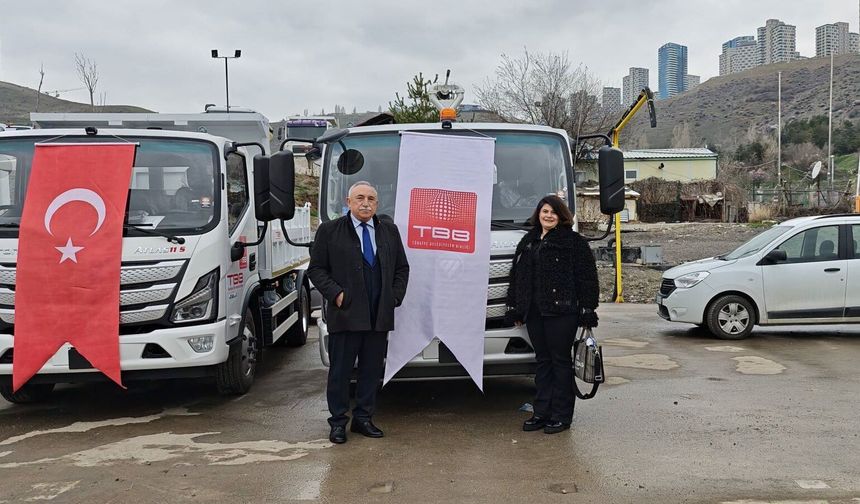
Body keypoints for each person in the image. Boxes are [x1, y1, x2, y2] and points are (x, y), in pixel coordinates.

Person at [307, 181, 410, 444]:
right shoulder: (330, 231)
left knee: (371, 371)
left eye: (371, 199)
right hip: (347, 314)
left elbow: (401, 268)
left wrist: (394, 297)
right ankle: (338, 422)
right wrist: (337, 294)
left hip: (378, 315)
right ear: (349, 201)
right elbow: (316, 269)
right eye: (360, 198)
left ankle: (364, 418)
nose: (366, 203)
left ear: (377, 204)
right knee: (341, 372)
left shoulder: (388, 230)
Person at [505, 195, 599, 434]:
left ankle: (561, 416)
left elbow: (587, 278)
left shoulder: (573, 242)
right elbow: (517, 277)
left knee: (560, 362)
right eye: (544, 211)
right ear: (538, 213)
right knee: (542, 362)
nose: (548, 216)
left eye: (553, 212)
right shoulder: (528, 241)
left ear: (562, 216)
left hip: (562, 312)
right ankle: (541, 412)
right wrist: (514, 307)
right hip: (534, 312)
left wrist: (588, 309)